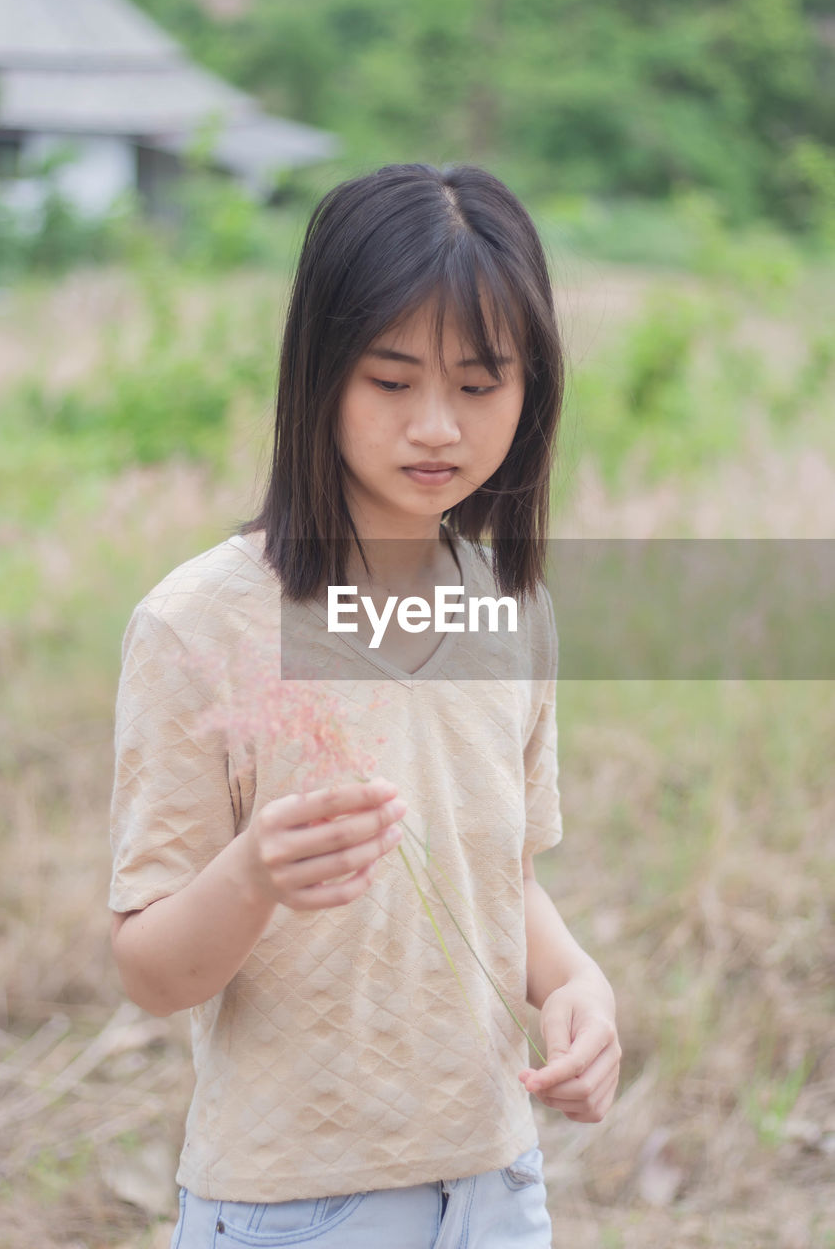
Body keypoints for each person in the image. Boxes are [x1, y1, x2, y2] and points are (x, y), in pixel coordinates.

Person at [109, 163, 621, 1249]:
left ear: (531, 391)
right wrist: (252, 874)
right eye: (391, 381)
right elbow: (150, 969)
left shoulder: (510, 608)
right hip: (294, 1202)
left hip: (495, 1183)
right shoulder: (197, 623)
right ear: (320, 376)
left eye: (480, 385)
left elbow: (499, 869)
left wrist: (573, 979)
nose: (436, 425)